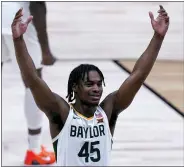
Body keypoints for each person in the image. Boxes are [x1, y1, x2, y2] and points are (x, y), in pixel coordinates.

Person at [11, 5, 169, 166]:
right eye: (89, 84)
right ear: (75, 87)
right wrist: (18, 40)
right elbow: (32, 79)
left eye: (99, 84)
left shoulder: (108, 111)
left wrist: (158, 37)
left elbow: (138, 75)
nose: (96, 89)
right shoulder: (62, 113)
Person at [2, 2, 56, 165]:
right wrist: (45, 49)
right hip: (17, 18)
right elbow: (38, 5)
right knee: (33, 82)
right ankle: (34, 150)